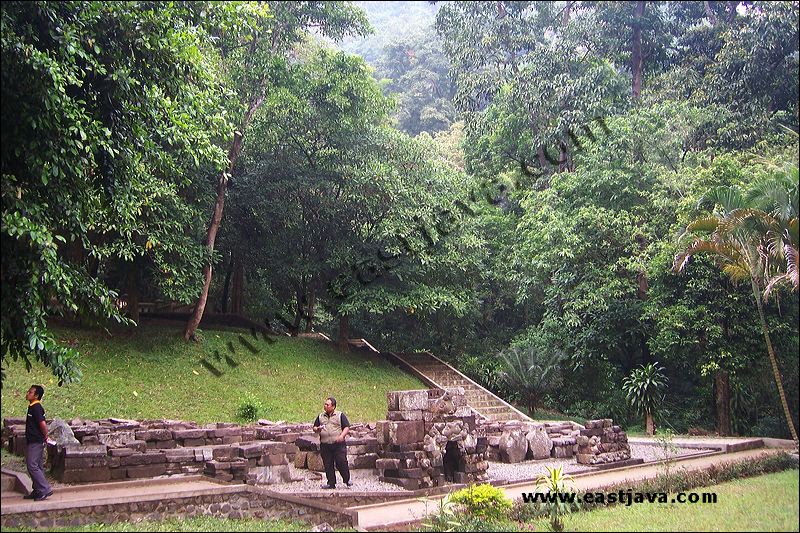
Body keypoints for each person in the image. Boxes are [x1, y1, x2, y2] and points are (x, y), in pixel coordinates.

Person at [312, 396, 352, 489]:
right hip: (325, 444)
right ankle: (331, 483)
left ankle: (347, 479)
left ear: (333, 406)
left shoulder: (340, 415)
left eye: (327, 404)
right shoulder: (321, 416)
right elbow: (314, 427)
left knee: (341, 461)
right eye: (325, 404)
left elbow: (346, 426)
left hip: (338, 444)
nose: (325, 406)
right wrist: (317, 429)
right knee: (328, 463)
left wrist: (342, 436)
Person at [24, 384, 53, 501]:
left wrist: (46, 436)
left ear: (36, 395)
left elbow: (42, 424)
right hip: (32, 440)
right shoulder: (32, 406)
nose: (27, 393)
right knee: (38, 466)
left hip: (36, 441)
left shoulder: (36, 407)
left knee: (32, 465)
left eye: (30, 392)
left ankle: (45, 489)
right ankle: (37, 490)